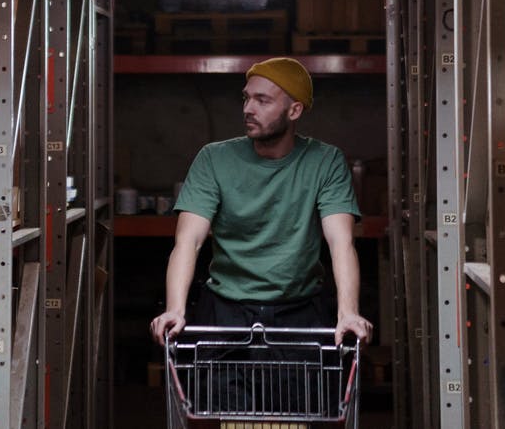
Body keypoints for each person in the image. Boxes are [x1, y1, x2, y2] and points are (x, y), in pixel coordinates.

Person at [150, 57, 372, 347]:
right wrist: (175, 309)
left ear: (294, 110)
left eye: (262, 100)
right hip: (225, 311)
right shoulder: (214, 159)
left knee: (306, 380)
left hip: (300, 311)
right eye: (246, 98)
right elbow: (188, 241)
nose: (248, 109)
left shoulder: (326, 161)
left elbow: (341, 242)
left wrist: (348, 313)